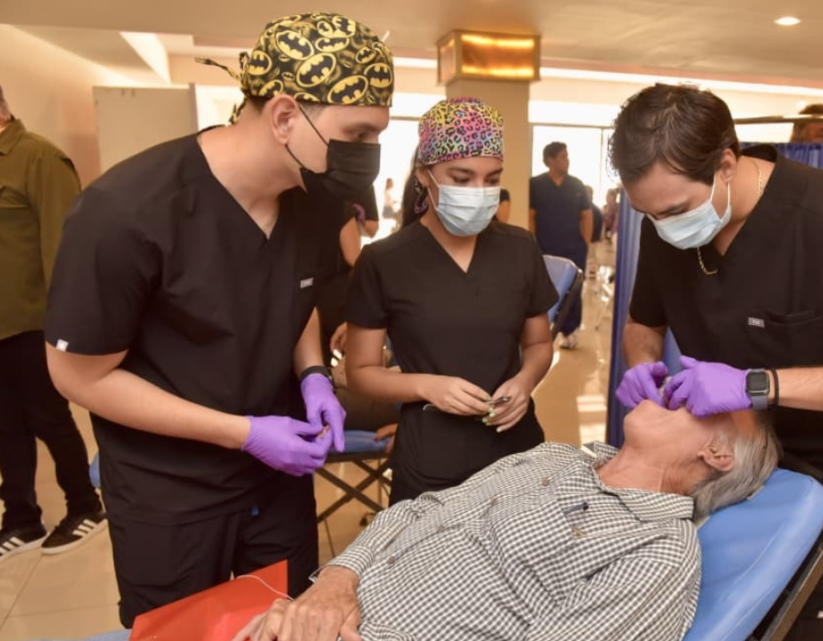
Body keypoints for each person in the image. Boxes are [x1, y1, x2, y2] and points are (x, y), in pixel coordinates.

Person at [43, 12, 393, 625]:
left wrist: (312, 374)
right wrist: (246, 433)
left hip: (277, 485)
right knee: (182, 634)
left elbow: (295, 296)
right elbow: (81, 378)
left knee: (285, 624)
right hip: (171, 493)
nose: (367, 154)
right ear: (285, 116)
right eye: (358, 133)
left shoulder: (317, 203)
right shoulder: (126, 214)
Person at [609, 84, 823, 641]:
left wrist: (758, 385)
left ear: (725, 165)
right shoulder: (665, 223)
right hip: (708, 463)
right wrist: (640, 365)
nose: (663, 227)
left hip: (813, 476)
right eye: (648, 214)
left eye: (673, 211)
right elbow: (643, 324)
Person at [237, 402, 782, 641]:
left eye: (705, 400)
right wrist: (333, 585)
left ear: (718, 454)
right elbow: (421, 509)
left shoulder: (658, 550)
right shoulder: (559, 457)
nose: (680, 385)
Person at [344, 97, 558, 504]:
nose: (479, 192)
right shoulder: (384, 261)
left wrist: (525, 381)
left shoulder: (520, 249)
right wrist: (427, 386)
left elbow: (538, 344)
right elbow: (361, 372)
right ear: (425, 174)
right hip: (433, 460)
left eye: (491, 179)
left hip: (516, 451)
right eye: (461, 179)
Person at [0, 84, 105, 563]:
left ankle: (84, 505)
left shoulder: (39, 158)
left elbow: (65, 252)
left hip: (31, 324)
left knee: (49, 420)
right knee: (5, 426)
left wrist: (65, 332)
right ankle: (21, 518)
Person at [530, 142, 593, 349]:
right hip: (545, 246)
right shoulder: (536, 184)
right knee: (543, 291)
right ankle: (542, 331)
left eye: (567, 156)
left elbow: (586, 216)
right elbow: (532, 217)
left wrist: (585, 243)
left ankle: (571, 330)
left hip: (574, 247)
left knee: (573, 291)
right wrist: (533, 244)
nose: (567, 160)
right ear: (551, 160)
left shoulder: (577, 185)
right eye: (563, 156)